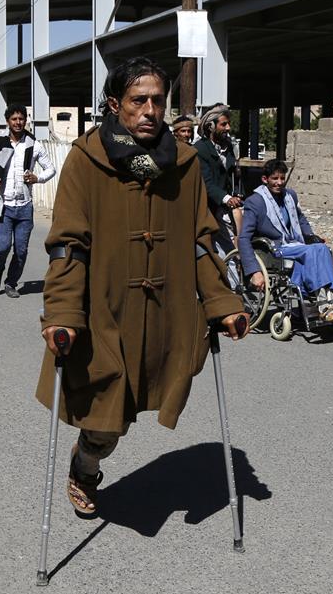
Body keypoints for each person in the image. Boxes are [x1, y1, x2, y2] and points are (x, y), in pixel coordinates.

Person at [35, 57, 248, 516]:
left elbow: (199, 244)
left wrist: (221, 303)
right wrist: (62, 313)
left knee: (139, 402)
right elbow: (68, 246)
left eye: (158, 100)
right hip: (104, 312)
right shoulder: (86, 159)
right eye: (139, 100)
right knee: (106, 421)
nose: (151, 110)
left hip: (163, 314)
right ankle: (85, 467)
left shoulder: (186, 164)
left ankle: (91, 455)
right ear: (115, 105)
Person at [238, 159, 333, 323]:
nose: (279, 183)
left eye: (282, 178)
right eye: (274, 179)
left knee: (321, 248)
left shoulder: (290, 196)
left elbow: (300, 218)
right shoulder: (255, 201)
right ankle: (324, 306)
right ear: (265, 179)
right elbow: (244, 238)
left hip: (295, 244)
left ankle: (332, 301)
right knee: (311, 251)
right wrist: (254, 271)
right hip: (275, 248)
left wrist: (310, 236)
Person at [0, 104, 56, 298]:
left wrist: (37, 178)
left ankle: (11, 283)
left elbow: (51, 169)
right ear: (8, 121)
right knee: (3, 246)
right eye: (14, 119)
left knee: (21, 250)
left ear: (26, 120)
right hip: (3, 205)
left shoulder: (33, 145)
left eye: (21, 119)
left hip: (24, 207)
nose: (18, 122)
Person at [194, 104, 243, 254]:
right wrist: (226, 198)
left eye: (228, 124)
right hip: (209, 209)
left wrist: (238, 193)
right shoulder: (200, 149)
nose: (228, 128)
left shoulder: (228, 147)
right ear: (210, 126)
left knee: (234, 247)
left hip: (225, 209)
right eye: (223, 124)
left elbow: (234, 176)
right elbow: (206, 182)